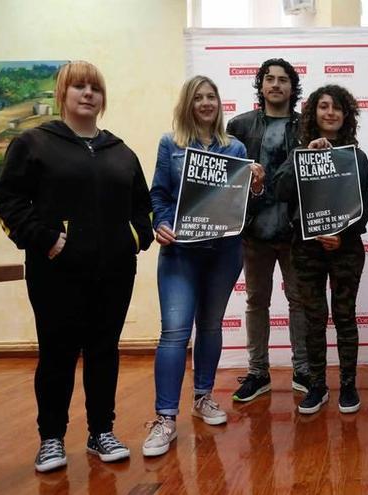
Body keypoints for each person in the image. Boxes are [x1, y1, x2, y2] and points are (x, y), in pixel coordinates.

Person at [0, 60, 154, 471]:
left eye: (95, 88)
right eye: (79, 87)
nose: (88, 94)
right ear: (62, 94)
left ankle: (102, 432)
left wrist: (134, 239)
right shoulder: (33, 143)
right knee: (57, 355)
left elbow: (142, 205)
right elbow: (10, 202)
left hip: (115, 272)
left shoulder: (121, 151)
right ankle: (51, 439)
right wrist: (46, 240)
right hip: (56, 273)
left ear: (103, 99)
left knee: (104, 352)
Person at [142, 75, 259, 457]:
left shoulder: (236, 146)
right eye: (198, 98)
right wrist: (160, 222)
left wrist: (254, 184)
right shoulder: (171, 144)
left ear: (218, 103)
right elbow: (158, 193)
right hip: (181, 252)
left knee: (209, 326)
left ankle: (203, 397)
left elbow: (244, 204)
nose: (206, 103)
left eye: (211, 97)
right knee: (175, 332)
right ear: (188, 104)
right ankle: (164, 418)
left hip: (224, 251)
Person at [273, 84, 368, 414]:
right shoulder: (300, 152)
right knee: (314, 319)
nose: (330, 112)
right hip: (306, 249)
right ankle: (317, 384)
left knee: (345, 317)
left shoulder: (356, 156)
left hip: (345, 248)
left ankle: (347, 384)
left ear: (346, 116)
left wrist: (344, 234)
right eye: (323, 106)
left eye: (337, 108)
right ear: (313, 113)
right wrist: (305, 158)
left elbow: (366, 205)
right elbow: (281, 190)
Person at [228, 58, 310, 401]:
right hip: (254, 231)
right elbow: (228, 178)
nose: (276, 85)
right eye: (269, 79)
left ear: (293, 88)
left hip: (295, 231)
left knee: (299, 302)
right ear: (261, 86)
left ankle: (303, 370)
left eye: (283, 80)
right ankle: (258, 372)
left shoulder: (307, 125)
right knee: (256, 301)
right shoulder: (239, 125)